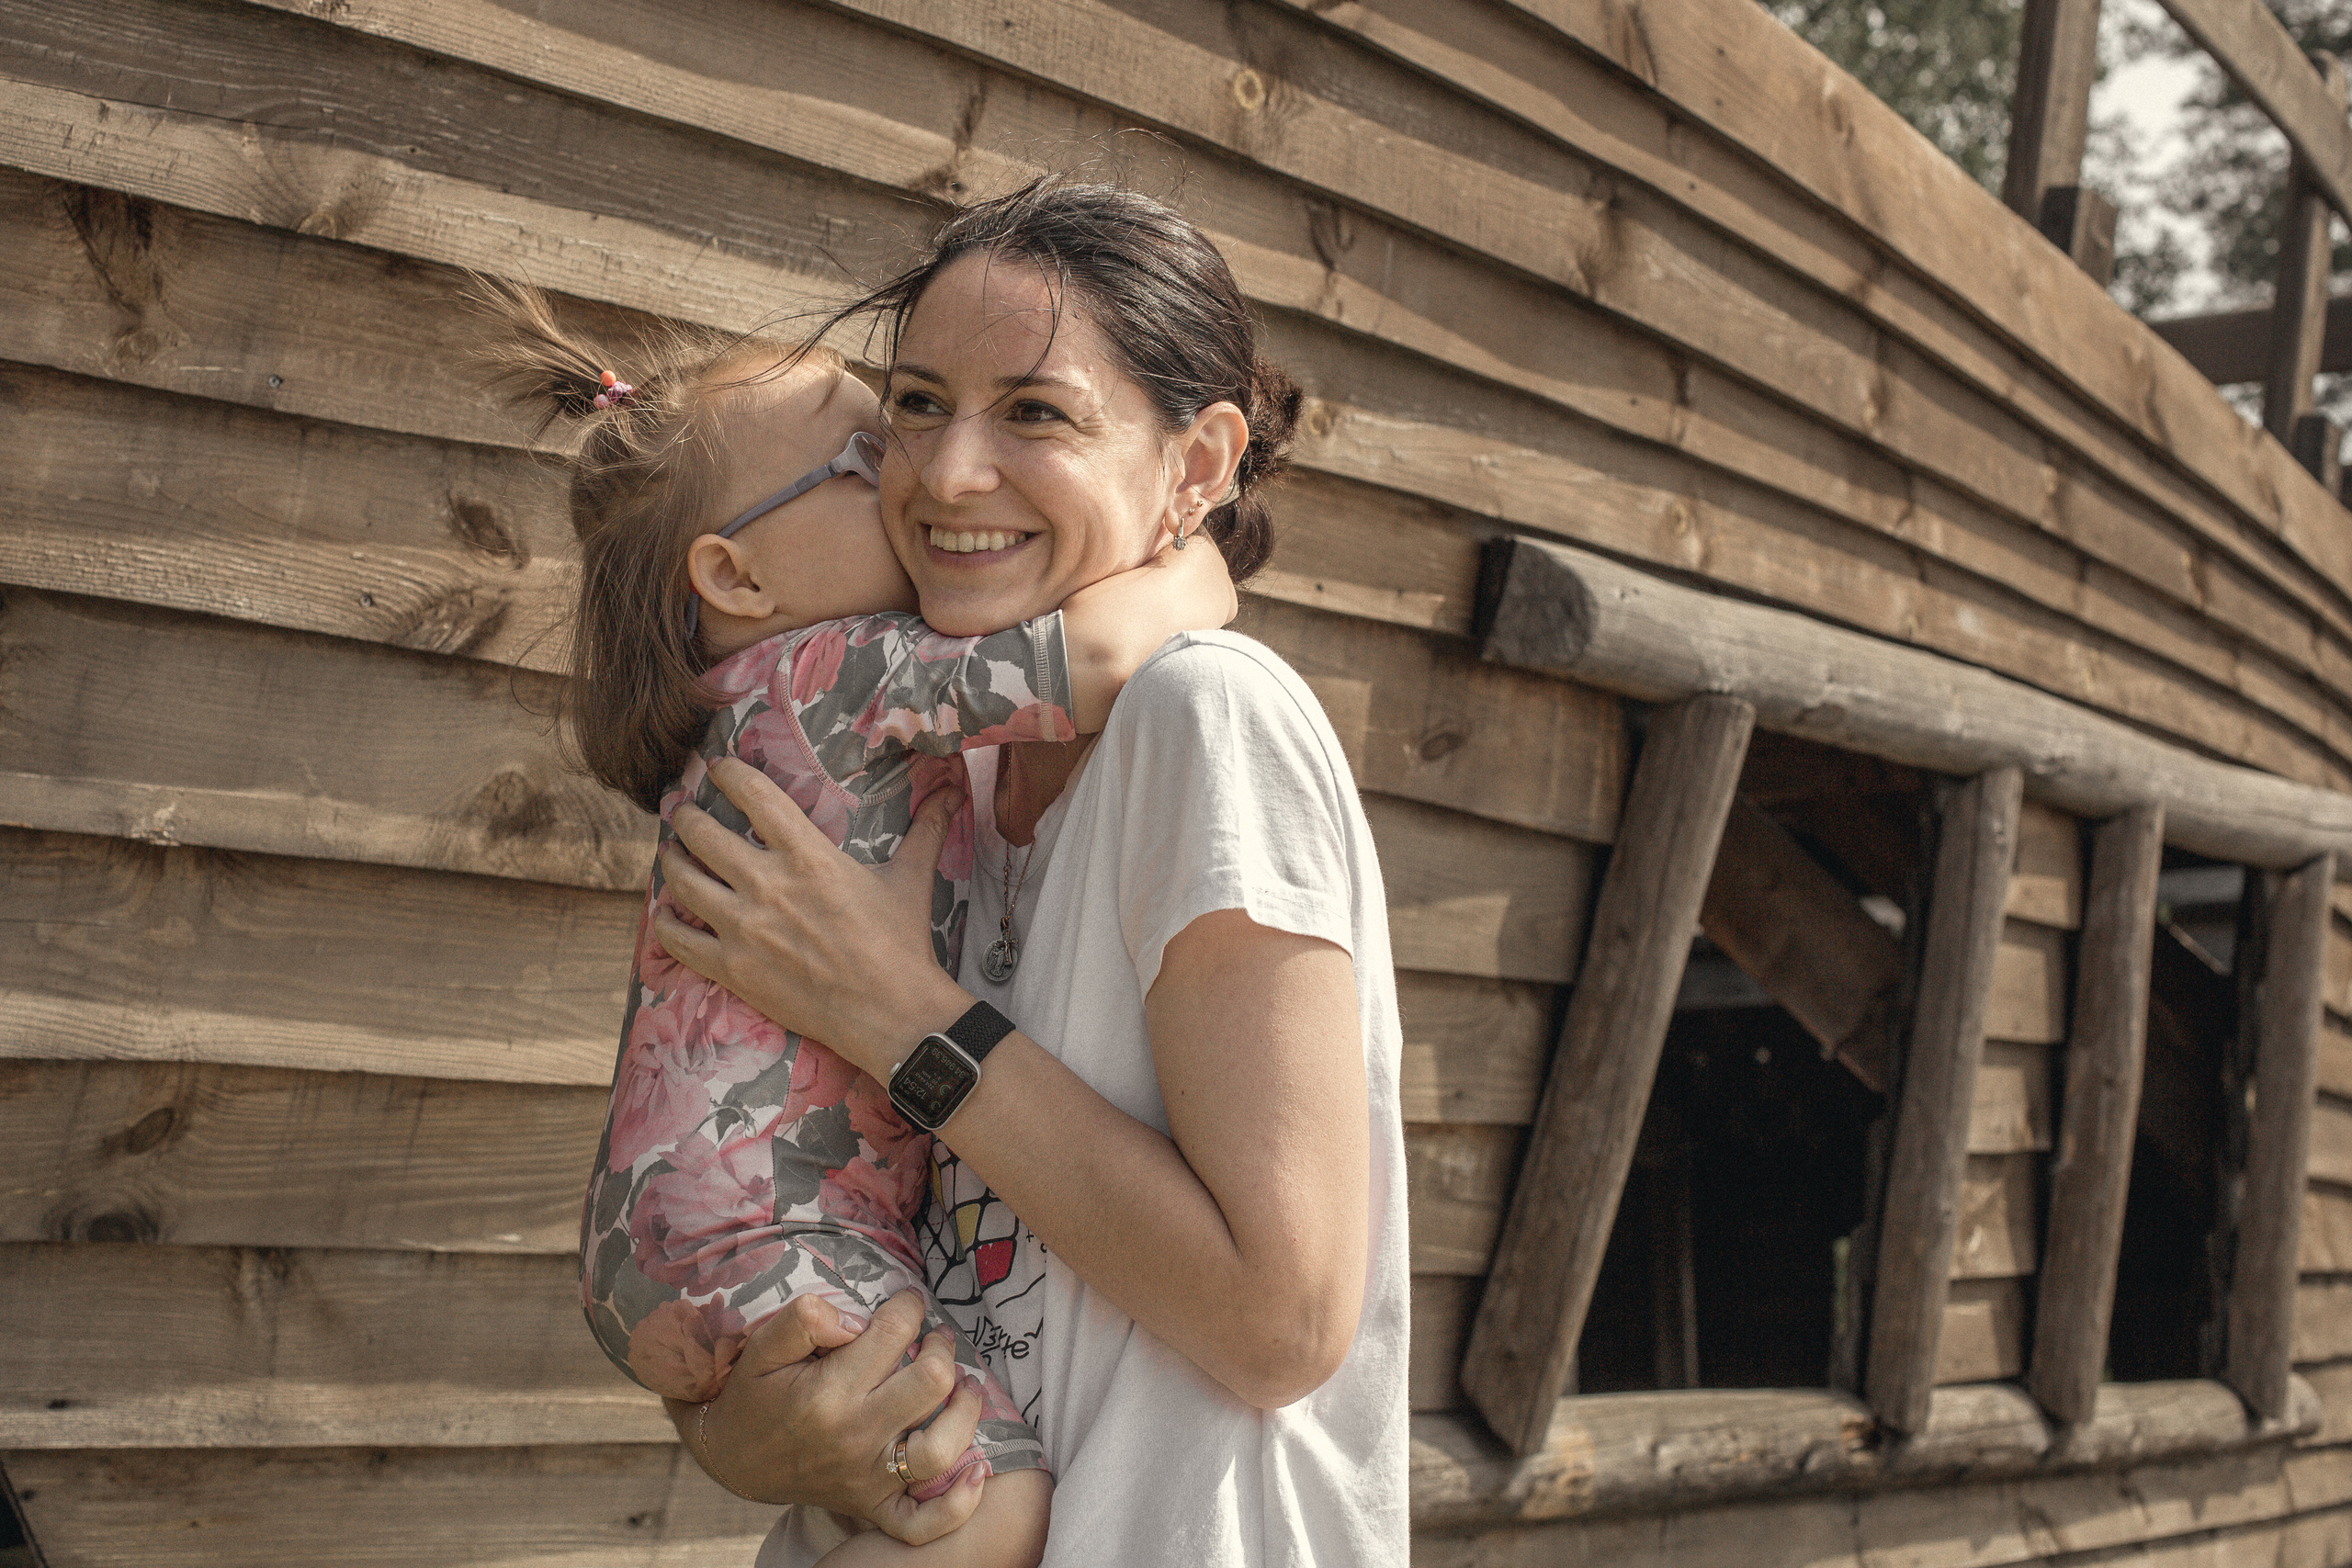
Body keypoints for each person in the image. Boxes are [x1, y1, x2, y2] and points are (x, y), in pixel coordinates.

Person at [651, 179, 1410, 1567]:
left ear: (1196, 467)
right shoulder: (945, 772)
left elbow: (1284, 1323)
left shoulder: (1206, 719)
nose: (946, 475)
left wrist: (900, 1016)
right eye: (919, 407)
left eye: (1038, 413)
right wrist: (743, 1432)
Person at [470, 277, 1236, 1565]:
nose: (917, 480)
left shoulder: (749, 710)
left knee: (883, 1505)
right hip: (770, 1226)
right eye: (866, 453)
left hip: (686, 1230)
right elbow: (1101, 657)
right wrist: (1193, 554)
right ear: (737, 572)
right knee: (994, 1508)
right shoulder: (830, 673)